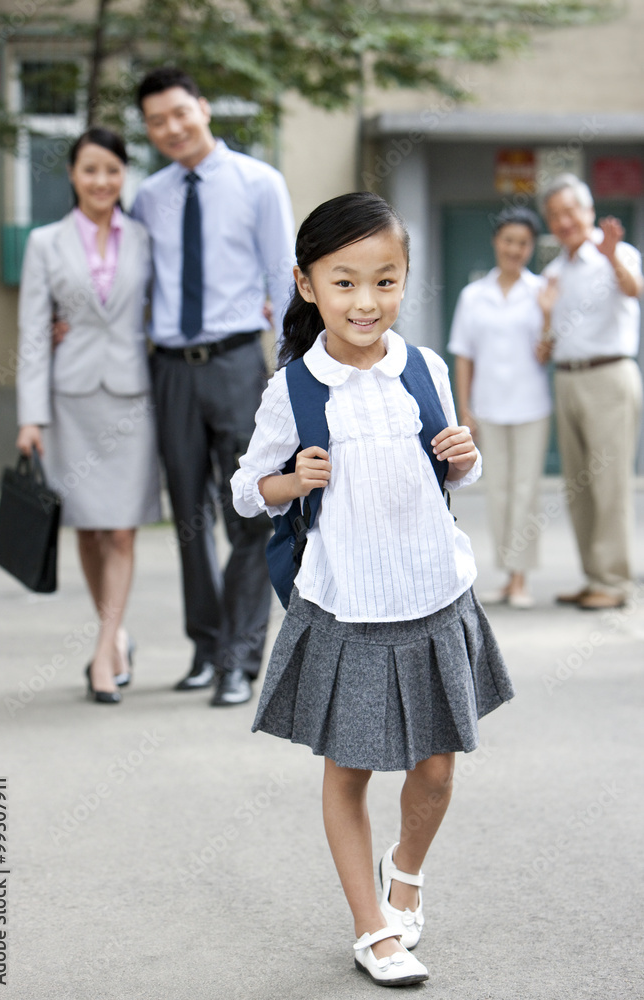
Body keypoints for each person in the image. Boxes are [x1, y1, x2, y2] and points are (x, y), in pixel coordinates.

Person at [231, 193, 515, 987]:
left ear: (405, 281)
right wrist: (290, 479)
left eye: (385, 282)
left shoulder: (421, 367)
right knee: (349, 771)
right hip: (348, 607)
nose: (366, 301)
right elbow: (244, 492)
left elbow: (457, 471)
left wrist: (463, 455)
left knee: (435, 767)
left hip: (433, 596)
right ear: (307, 284)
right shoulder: (294, 389)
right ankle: (372, 929)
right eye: (345, 281)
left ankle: (407, 876)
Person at [131, 67, 296, 705]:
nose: (171, 128)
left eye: (180, 113)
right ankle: (204, 648)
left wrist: (292, 374)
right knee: (188, 518)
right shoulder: (149, 195)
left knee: (248, 510)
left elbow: (284, 283)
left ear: (203, 107)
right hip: (170, 366)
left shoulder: (259, 183)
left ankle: (239, 656)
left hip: (235, 364)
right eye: (156, 122)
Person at [16, 127, 161, 704]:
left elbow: (171, 306)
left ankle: (105, 651)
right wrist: (30, 416)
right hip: (69, 399)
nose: (102, 181)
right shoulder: (45, 243)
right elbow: (32, 332)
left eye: (112, 170)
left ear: (124, 176)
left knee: (122, 527)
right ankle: (115, 632)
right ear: (73, 175)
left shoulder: (145, 239)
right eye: (90, 170)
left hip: (132, 398)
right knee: (88, 523)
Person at [540, 174, 643, 610]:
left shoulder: (617, 253)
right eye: (556, 215)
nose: (564, 222)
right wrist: (545, 320)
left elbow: (635, 290)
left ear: (588, 211)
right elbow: (545, 342)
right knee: (578, 484)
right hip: (566, 378)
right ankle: (593, 576)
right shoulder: (553, 271)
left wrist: (611, 258)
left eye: (571, 211)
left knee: (609, 481)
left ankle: (616, 582)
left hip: (609, 376)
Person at [448, 207, 553, 609]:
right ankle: (507, 576)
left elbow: (546, 353)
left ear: (531, 248)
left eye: (523, 243)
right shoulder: (474, 295)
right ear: (497, 242)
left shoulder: (542, 291)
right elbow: (463, 356)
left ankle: (521, 578)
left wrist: (546, 316)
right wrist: (465, 409)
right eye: (509, 240)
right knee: (499, 493)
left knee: (525, 492)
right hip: (488, 408)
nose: (515, 249)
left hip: (530, 408)